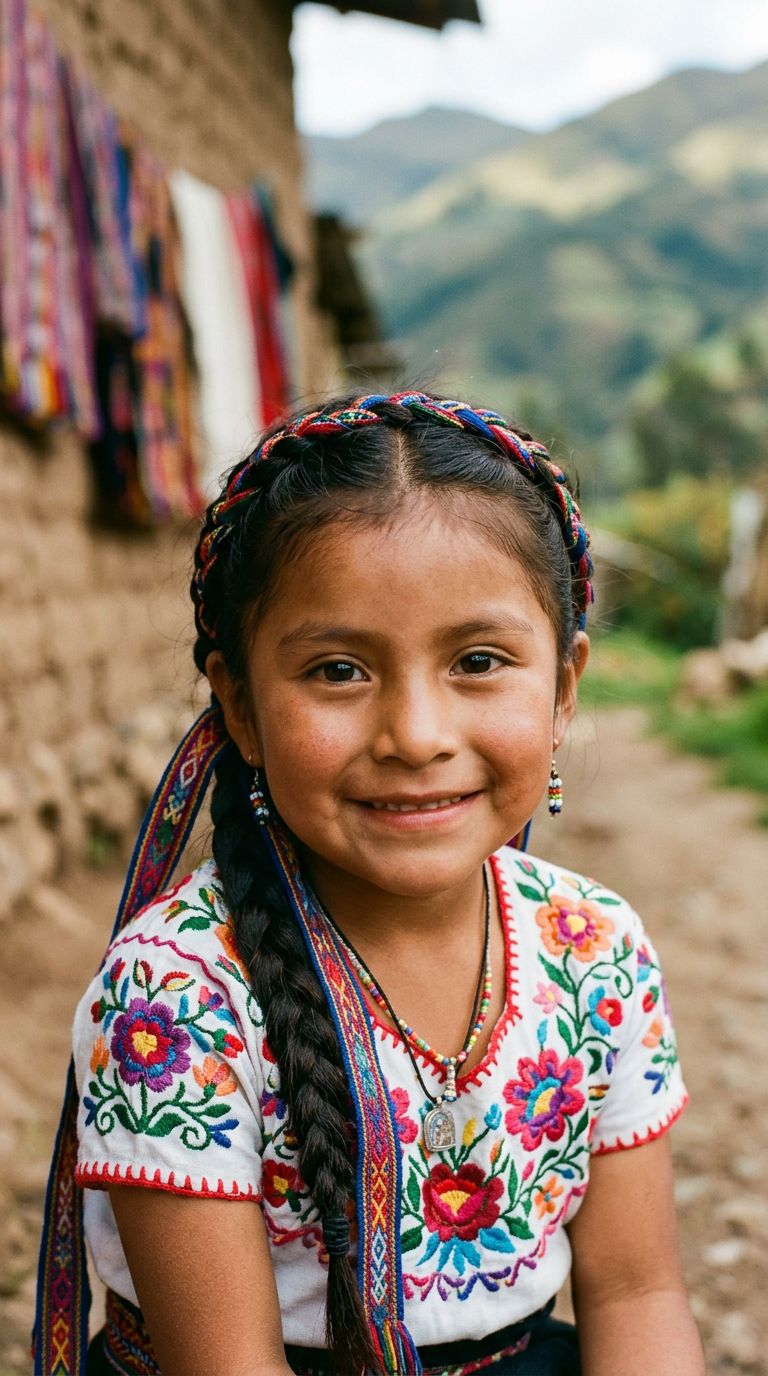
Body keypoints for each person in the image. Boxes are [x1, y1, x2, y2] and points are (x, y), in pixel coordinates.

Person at [53, 391, 704, 1376]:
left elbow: (637, 1291)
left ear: (564, 689)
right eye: (340, 669)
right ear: (239, 703)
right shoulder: (177, 993)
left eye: (478, 660)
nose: (414, 733)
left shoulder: (596, 951)